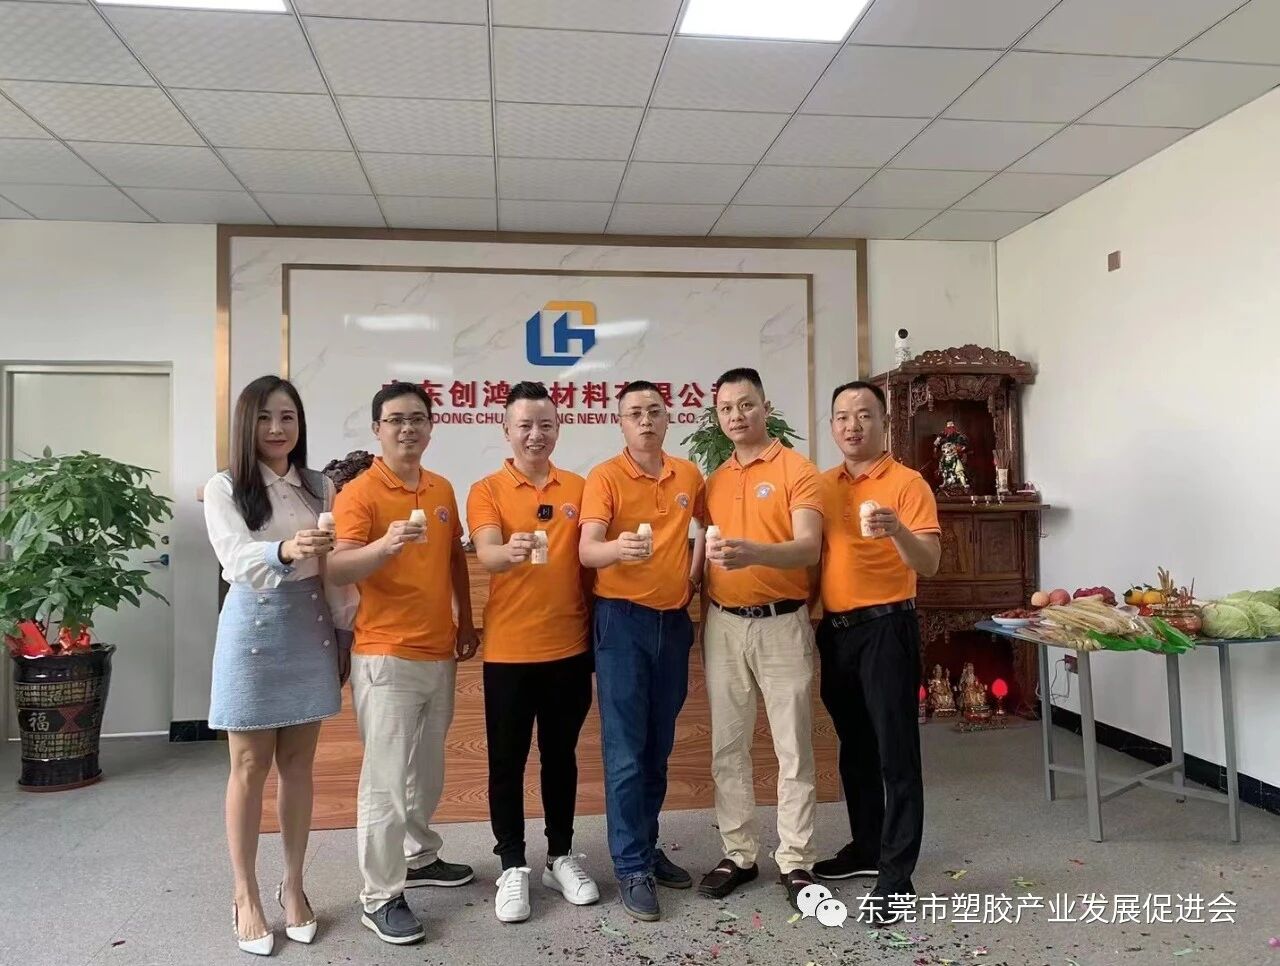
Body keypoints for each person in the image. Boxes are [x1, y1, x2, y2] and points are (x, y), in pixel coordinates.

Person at [203, 375, 355, 956]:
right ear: (247, 424)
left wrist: (343, 631)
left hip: (309, 625)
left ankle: (293, 885)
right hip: (252, 627)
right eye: (265, 417)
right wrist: (285, 549)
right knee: (248, 765)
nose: (276, 428)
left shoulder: (320, 486)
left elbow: (333, 566)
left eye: (287, 416)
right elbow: (235, 558)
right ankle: (244, 894)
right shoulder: (226, 486)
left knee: (298, 765)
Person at [328, 381, 480, 946]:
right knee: (386, 779)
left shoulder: (441, 487)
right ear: (377, 429)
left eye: (417, 418)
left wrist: (466, 620)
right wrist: (385, 546)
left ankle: (418, 856)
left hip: (438, 649)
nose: (407, 428)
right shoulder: (359, 494)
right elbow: (338, 568)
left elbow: (453, 557)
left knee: (427, 771)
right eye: (395, 420)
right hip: (385, 654)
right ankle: (379, 895)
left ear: (431, 427)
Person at [467, 381, 598, 924]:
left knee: (561, 756)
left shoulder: (580, 487)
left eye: (545, 424)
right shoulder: (487, 489)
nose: (535, 434)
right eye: (524, 425)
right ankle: (512, 864)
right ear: (506, 430)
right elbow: (488, 553)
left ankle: (560, 855)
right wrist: (509, 551)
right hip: (510, 651)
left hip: (569, 646)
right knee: (507, 760)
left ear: (558, 428)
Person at [578, 380, 706, 922]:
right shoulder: (605, 476)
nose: (646, 420)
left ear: (668, 418)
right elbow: (587, 550)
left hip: (672, 624)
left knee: (658, 746)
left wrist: (693, 576)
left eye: (654, 411)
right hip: (622, 623)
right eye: (635, 413)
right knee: (626, 750)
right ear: (621, 423)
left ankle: (647, 847)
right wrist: (617, 548)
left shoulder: (688, 475)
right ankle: (630, 866)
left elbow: (708, 528)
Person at [815, 380, 941, 926]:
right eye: (842, 416)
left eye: (864, 415)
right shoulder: (822, 486)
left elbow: (929, 562)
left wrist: (896, 531)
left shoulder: (908, 483)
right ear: (832, 426)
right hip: (836, 631)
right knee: (855, 748)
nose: (852, 425)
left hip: (888, 627)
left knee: (896, 753)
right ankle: (866, 846)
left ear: (884, 422)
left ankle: (897, 876)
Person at [697, 367, 824, 910]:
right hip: (724, 624)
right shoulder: (714, 480)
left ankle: (796, 859)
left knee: (792, 746)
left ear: (766, 408)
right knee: (728, 747)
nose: (736, 416)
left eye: (746, 405)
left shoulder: (798, 469)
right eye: (726, 408)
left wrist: (755, 553)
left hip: (782, 623)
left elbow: (809, 547)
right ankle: (739, 854)